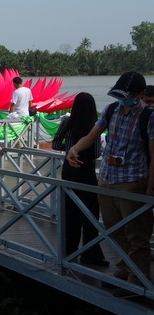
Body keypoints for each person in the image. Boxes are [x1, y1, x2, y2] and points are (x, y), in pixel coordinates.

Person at [66, 71, 154, 288]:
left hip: (132, 181)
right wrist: (74, 149)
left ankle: (138, 281)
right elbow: (92, 135)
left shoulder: (148, 117)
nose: (122, 99)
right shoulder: (111, 109)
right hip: (106, 178)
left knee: (136, 235)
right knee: (114, 230)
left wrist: (150, 189)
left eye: (128, 95)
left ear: (140, 94)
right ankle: (124, 270)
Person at [52, 92, 107, 265]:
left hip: (68, 168)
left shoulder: (67, 121)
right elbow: (97, 152)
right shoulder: (94, 125)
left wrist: (69, 149)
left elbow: (55, 144)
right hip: (85, 168)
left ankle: (69, 249)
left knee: (70, 210)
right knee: (90, 212)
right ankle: (91, 254)